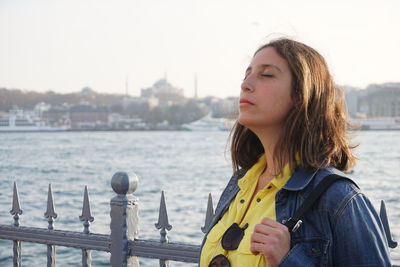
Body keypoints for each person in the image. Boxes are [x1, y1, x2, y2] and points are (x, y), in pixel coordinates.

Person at [199, 38, 392, 266]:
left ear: (302, 95)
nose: (246, 84)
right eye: (247, 74)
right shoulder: (239, 184)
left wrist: (288, 261)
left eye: (267, 75)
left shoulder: (338, 199)